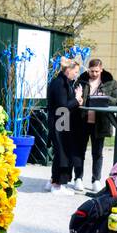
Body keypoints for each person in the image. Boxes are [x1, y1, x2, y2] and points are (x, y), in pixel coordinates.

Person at [74, 57, 117, 193]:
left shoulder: (111, 83)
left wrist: (105, 98)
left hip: (100, 123)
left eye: (96, 71)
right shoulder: (81, 81)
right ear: (88, 69)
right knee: (79, 151)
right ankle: (78, 178)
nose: (94, 74)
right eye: (91, 71)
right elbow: (74, 97)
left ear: (101, 69)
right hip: (82, 121)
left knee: (98, 153)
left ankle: (96, 180)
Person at [46, 57, 83, 191]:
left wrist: (76, 98)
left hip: (61, 121)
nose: (76, 74)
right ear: (68, 70)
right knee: (62, 153)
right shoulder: (60, 84)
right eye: (76, 71)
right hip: (59, 121)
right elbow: (63, 106)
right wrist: (77, 99)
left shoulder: (64, 82)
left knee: (61, 152)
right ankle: (57, 185)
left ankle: (53, 181)